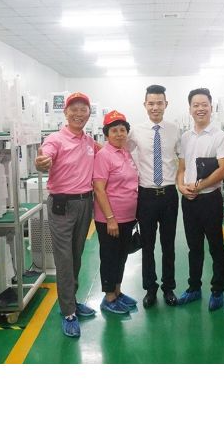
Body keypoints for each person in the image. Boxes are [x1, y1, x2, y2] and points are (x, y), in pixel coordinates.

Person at [35, 92, 97, 338]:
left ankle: (72, 300)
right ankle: (68, 311)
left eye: (83, 110)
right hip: (62, 205)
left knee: (76, 256)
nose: (79, 114)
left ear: (89, 114)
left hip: (85, 203)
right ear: (66, 112)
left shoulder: (89, 141)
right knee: (64, 259)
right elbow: (45, 157)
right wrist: (42, 162)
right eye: (74, 109)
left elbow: (108, 152)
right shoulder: (55, 139)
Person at [176, 87, 224, 310]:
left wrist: (199, 186)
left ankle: (217, 290)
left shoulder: (220, 136)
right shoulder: (185, 137)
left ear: (211, 107)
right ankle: (194, 288)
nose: (200, 108)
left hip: (210, 199)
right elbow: (181, 167)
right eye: (195, 105)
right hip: (189, 200)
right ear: (190, 109)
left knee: (216, 245)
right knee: (194, 246)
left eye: (204, 105)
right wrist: (181, 186)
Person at [127, 84, 181, 308]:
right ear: (145, 105)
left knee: (169, 245)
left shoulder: (175, 130)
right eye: (151, 103)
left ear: (166, 104)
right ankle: (150, 288)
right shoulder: (135, 131)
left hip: (169, 194)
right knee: (147, 245)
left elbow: (183, 159)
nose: (155, 107)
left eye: (159, 103)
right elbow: (120, 152)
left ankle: (169, 287)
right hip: (146, 195)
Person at [93, 110, 139, 315]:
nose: (119, 134)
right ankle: (109, 297)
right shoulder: (104, 155)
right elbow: (99, 189)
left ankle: (118, 292)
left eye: (122, 130)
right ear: (107, 134)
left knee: (122, 256)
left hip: (128, 217)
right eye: (114, 130)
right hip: (110, 219)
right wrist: (110, 219)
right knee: (110, 257)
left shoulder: (126, 153)